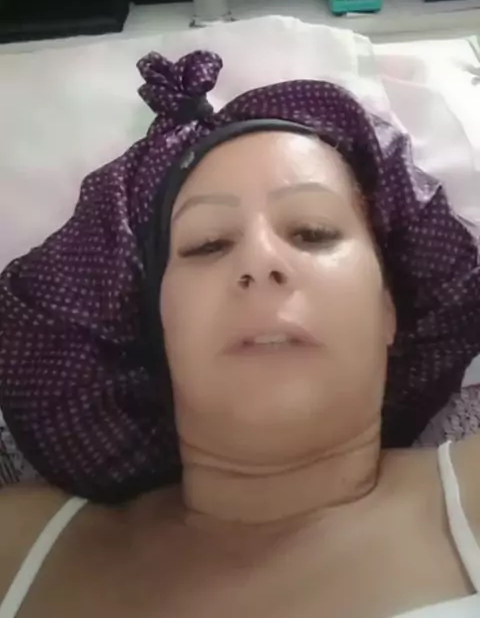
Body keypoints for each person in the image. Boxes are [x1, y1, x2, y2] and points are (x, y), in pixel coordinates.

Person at [2, 116, 480, 618]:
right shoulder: (18, 546)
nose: (259, 259)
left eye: (312, 232)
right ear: (160, 327)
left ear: (388, 310)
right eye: (208, 244)